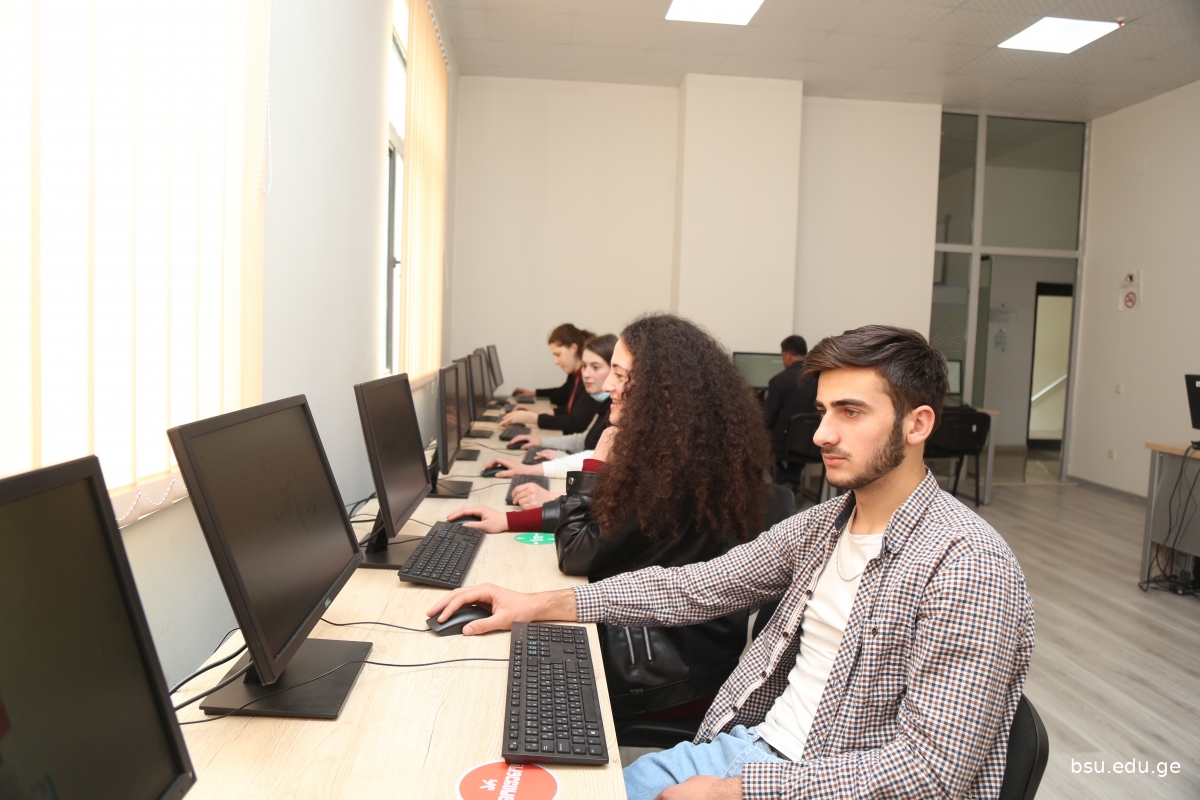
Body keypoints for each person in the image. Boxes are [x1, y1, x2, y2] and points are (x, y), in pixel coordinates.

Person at [431, 325, 1035, 800]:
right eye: (823, 411)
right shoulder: (826, 524)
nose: (822, 434)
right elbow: (694, 588)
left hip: (810, 781)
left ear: (917, 424)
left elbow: (930, 774)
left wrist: (737, 791)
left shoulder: (968, 565)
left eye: (850, 412)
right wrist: (540, 604)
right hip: (755, 751)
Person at [450, 313, 779, 720]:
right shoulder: (688, 450)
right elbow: (610, 522)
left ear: (660, 389)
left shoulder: (666, 472)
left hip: (659, 666)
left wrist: (595, 466)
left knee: (492, 675)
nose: (607, 385)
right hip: (683, 649)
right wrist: (511, 521)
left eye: (621, 375)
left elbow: (576, 552)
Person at [485, 334, 617, 509]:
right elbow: (585, 441)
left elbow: (597, 459)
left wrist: (531, 469)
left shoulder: (620, 413)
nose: (586, 374)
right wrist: (541, 442)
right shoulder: (606, 406)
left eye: (595, 367)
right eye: (584, 366)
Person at [505, 323, 600, 434]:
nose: (556, 361)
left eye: (558, 354)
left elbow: (575, 422)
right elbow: (568, 409)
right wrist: (536, 412)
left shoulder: (588, 380)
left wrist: (531, 418)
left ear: (574, 348)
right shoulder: (576, 376)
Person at [763, 334, 818, 456]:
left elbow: (768, 416)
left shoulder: (779, 380)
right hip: (813, 444)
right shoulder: (818, 378)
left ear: (788, 356)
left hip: (783, 445)